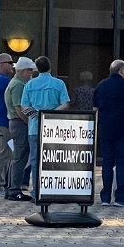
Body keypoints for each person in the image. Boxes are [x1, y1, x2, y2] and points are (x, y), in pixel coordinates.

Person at [94, 60, 124, 207]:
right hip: (123, 129)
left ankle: (105, 197)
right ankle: (120, 197)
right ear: (121, 71)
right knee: (122, 163)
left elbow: (94, 109)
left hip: (105, 130)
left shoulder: (101, 85)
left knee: (107, 162)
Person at [20, 56, 71, 193]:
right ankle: (53, 190)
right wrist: (50, 113)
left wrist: (36, 115)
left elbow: (24, 106)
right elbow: (65, 104)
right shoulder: (59, 83)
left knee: (35, 161)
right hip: (54, 127)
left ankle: (37, 191)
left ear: (37, 69)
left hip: (34, 127)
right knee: (54, 159)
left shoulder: (29, 85)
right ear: (50, 67)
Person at [4, 57, 35, 202]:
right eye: (30, 71)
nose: (31, 74)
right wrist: (30, 123)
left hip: (16, 123)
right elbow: (19, 108)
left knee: (17, 157)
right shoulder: (18, 85)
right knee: (20, 158)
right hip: (19, 123)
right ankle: (14, 190)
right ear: (23, 71)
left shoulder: (18, 83)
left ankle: (10, 187)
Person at [0, 53, 15, 197]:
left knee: (6, 153)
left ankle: (0, 183)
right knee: (2, 153)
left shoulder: (3, 79)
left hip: (4, 121)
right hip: (3, 122)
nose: (12, 65)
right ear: (1, 64)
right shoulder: (2, 80)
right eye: (9, 62)